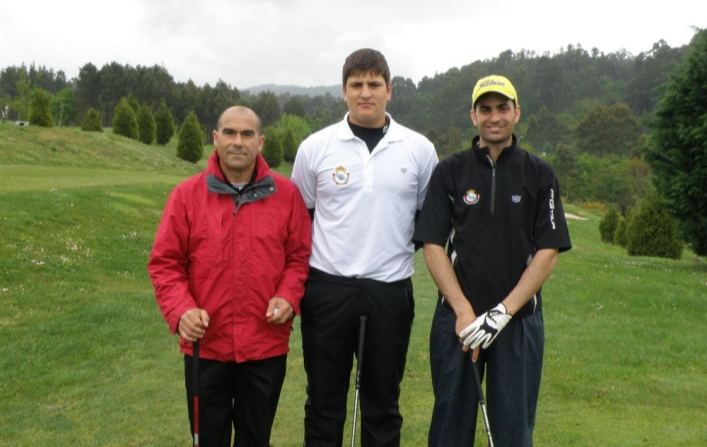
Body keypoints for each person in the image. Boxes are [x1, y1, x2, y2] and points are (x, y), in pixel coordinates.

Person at [413, 75, 572, 447]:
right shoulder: (450, 171)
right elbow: (432, 245)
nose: (494, 117)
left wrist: (503, 312)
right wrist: (464, 310)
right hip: (458, 323)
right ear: (473, 115)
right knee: (450, 424)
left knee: (514, 430)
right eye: (485, 109)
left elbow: (548, 253)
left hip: (518, 323)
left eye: (503, 108)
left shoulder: (539, 173)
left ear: (517, 112)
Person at [291, 48, 438, 447]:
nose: (365, 92)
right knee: (323, 402)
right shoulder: (315, 148)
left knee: (383, 405)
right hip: (328, 289)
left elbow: (428, 221)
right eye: (357, 84)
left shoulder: (419, 149)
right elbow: (301, 218)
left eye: (374, 84)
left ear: (390, 90)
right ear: (343, 91)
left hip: (389, 290)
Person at [148, 106, 312, 447]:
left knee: (255, 438)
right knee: (208, 439)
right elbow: (165, 263)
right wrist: (180, 311)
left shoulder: (286, 195)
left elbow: (299, 258)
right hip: (206, 346)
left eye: (247, 134)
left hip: (265, 345)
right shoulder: (186, 196)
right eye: (230, 133)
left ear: (261, 142)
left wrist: (288, 296)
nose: (238, 141)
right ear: (216, 138)